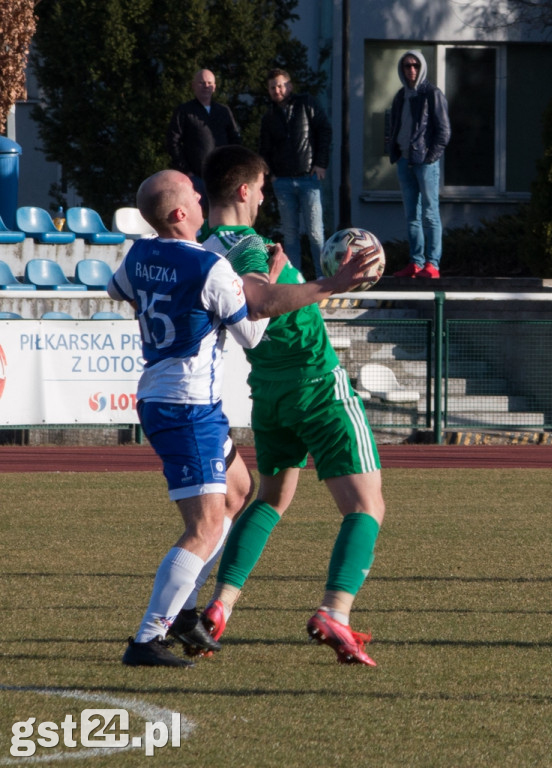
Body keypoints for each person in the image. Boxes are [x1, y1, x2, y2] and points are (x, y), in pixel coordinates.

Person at [109, 169, 381, 668]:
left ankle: (189, 611)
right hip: (187, 404)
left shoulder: (139, 253)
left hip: (176, 398)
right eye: (192, 192)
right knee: (206, 526)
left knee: (240, 490)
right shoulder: (209, 267)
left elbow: (116, 289)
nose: (199, 192)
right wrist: (319, 282)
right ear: (179, 214)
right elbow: (255, 322)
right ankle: (148, 638)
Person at [189, 145, 386, 667]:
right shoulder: (248, 245)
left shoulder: (206, 248)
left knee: (272, 500)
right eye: (261, 186)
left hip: (269, 393)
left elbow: (250, 304)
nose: (263, 198)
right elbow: (260, 299)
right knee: (367, 506)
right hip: (316, 382)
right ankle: (335, 612)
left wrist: (283, 278)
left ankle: (219, 607)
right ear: (243, 191)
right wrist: (330, 284)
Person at [259, 68, 332, 279]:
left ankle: (323, 278)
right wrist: (271, 174)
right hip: (282, 181)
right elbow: (264, 148)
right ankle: (295, 280)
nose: (277, 90)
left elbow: (324, 130)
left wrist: (320, 163)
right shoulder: (269, 116)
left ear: (289, 86)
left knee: (316, 233)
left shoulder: (306, 103)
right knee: (290, 236)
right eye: (272, 87)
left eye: (281, 85)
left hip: (308, 177)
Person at [389, 50, 451, 279]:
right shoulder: (399, 96)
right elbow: (394, 125)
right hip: (404, 161)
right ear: (402, 69)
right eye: (407, 65)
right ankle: (416, 263)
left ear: (421, 67)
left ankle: (432, 265)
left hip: (424, 162)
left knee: (430, 213)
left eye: (415, 65)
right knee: (411, 216)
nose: (411, 70)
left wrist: (429, 158)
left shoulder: (432, 93)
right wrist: (393, 149)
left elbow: (444, 132)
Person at [166, 68, 241, 211]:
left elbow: (235, 140)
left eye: (209, 83)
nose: (206, 86)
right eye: (201, 83)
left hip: (221, 177)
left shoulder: (223, 111)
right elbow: (172, 141)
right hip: (195, 178)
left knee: (220, 215)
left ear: (215, 86)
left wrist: (232, 167)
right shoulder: (184, 111)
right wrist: (186, 170)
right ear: (193, 85)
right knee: (196, 217)